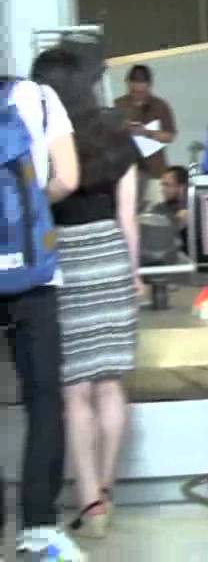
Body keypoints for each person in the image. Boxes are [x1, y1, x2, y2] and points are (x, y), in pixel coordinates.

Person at [37, 45, 144, 542]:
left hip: (63, 260)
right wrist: (134, 273)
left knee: (75, 391)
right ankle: (107, 488)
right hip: (110, 256)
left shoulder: (44, 135)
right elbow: (128, 217)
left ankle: (90, 503)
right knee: (110, 384)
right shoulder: (117, 132)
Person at [0, 66, 83, 559]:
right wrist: (32, 206)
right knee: (44, 398)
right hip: (33, 276)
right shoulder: (40, 98)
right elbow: (68, 178)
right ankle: (37, 525)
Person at [113, 64, 176, 210]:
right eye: (134, 91)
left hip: (155, 171)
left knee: (157, 211)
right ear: (128, 84)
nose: (138, 95)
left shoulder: (160, 105)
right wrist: (123, 130)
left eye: (142, 91)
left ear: (149, 86)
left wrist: (147, 132)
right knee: (128, 211)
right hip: (127, 171)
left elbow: (169, 136)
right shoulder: (118, 105)